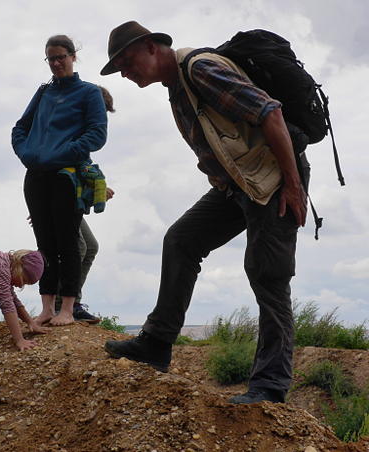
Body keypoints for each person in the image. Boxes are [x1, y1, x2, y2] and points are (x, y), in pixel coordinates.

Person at [100, 21, 307, 405]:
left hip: (273, 178)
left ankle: (270, 386)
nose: (125, 74)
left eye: (126, 63)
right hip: (238, 184)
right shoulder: (177, 87)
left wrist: (293, 185)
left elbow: (270, 114)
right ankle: (157, 343)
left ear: (150, 47)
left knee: (268, 274)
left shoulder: (199, 69)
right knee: (182, 239)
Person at [12, 34, 108, 327]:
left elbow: (97, 134)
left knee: (69, 243)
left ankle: (68, 308)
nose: (56, 63)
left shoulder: (89, 93)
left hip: (67, 177)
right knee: (45, 244)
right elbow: (20, 127)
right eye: (51, 59)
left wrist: (64, 154)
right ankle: (46, 308)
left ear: (72, 57)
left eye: (61, 57)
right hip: (36, 176)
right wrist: (28, 153)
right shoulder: (43, 93)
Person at [55, 86, 117, 324]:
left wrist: (97, 189)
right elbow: (59, 168)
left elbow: (81, 170)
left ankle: (73, 302)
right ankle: (64, 303)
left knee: (90, 247)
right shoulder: (70, 130)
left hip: (72, 199)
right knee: (79, 247)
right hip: (61, 198)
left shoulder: (82, 132)